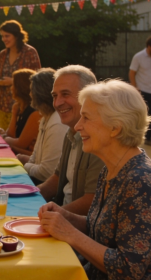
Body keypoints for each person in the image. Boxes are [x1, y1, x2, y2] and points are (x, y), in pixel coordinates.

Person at [29, 80, 151, 280]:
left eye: (86, 118)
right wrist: (65, 216)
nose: (78, 126)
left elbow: (128, 269)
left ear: (115, 128)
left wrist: (69, 233)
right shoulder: (113, 168)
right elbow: (101, 225)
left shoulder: (141, 180)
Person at [37, 66, 104, 215]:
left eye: (65, 94)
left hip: (77, 227)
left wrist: (55, 215)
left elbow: (92, 200)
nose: (57, 103)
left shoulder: (99, 137)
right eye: (54, 96)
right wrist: (28, 196)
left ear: (88, 96)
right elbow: (57, 177)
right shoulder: (71, 131)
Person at [19, 68, 69, 185]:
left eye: (31, 90)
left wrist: (22, 164)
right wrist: (23, 161)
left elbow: (46, 172)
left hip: (48, 189)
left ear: (39, 94)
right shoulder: (46, 118)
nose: (29, 94)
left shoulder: (57, 122)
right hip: (39, 182)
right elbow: (35, 159)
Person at [0, 20, 41, 130]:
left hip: (24, 105)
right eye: (2, 36)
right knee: (5, 140)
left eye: (7, 36)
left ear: (17, 36)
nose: (4, 39)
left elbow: (37, 80)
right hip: (4, 106)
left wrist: (12, 81)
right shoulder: (2, 54)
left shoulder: (30, 52)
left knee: (19, 138)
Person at [1, 69, 40, 156]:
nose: (11, 88)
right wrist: (14, 114)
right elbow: (11, 135)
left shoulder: (34, 111)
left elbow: (21, 144)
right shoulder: (21, 107)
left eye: (13, 85)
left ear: (21, 88)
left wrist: (3, 138)